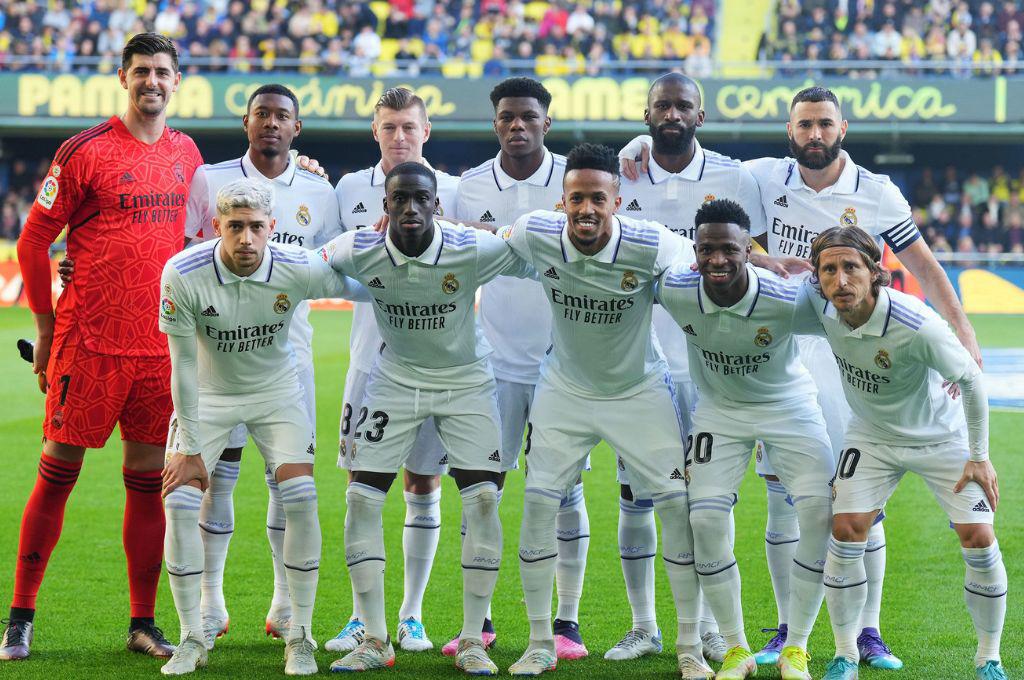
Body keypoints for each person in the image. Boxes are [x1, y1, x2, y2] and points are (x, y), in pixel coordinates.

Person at [1, 33, 203, 662]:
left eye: (162, 71)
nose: (152, 81)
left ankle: (143, 623)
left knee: (147, 487)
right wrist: (46, 327)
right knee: (56, 478)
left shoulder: (188, 153)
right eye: (141, 70)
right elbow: (34, 243)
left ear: (177, 81)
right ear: (123, 77)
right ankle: (19, 619)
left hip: (158, 348)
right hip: (87, 343)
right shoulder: (84, 150)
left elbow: (205, 236)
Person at [322, 161, 533, 675]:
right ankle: (375, 638)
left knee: (483, 499)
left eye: (422, 199)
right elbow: (308, 267)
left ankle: (471, 639)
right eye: (400, 199)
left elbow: (533, 254)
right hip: (394, 379)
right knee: (360, 497)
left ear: (437, 203)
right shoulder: (361, 249)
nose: (411, 208)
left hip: (466, 381)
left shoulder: (468, 248)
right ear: (385, 206)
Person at [498, 144, 700, 679]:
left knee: (676, 506)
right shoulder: (537, 232)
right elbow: (477, 243)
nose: (585, 209)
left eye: (597, 198)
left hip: (639, 391)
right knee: (539, 505)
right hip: (564, 391)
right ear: (562, 202)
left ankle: (687, 645)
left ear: (618, 200)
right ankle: (541, 641)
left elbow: (706, 265)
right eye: (576, 198)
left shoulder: (652, 243)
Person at [158, 177, 366, 676]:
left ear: (272, 228)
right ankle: (190, 636)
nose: (246, 239)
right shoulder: (183, 273)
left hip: (277, 394)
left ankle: (302, 636)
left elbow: (359, 284)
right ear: (216, 227)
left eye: (256, 228)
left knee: (301, 497)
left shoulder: (296, 266)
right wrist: (187, 445)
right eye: (235, 227)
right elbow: (182, 366)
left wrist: (402, 252)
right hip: (209, 395)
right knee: (181, 498)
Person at [609, 72, 764, 666]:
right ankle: (645, 625)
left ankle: (717, 631)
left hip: (712, 368)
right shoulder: (624, 174)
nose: (671, 114)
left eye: (682, 106)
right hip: (641, 366)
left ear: (701, 115)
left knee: (708, 503)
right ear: (645, 114)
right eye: (661, 106)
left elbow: (756, 256)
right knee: (636, 496)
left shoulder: (735, 178)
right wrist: (629, 149)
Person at [179, 83, 340, 645]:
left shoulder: (319, 191)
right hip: (216, 360)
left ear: (297, 128)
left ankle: (282, 603)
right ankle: (211, 602)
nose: (272, 123)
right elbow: (187, 256)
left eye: (283, 117)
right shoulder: (209, 180)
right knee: (214, 481)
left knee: (284, 484)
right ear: (245, 122)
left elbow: (331, 265)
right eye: (262, 115)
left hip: (287, 360)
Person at [806, 227, 1006, 680]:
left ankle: (989, 659)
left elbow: (972, 381)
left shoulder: (916, 325)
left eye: (851, 268)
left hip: (941, 437)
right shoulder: (819, 307)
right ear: (817, 277)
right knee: (846, 529)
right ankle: (844, 655)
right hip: (871, 436)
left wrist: (979, 455)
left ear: (875, 272)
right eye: (829, 270)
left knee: (978, 537)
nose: (840, 281)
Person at [656, 199, 833, 680]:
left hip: (790, 408)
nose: (717, 260)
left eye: (730, 250)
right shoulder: (675, 289)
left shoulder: (784, 299)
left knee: (819, 513)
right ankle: (737, 649)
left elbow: (853, 321)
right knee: (706, 520)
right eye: (707, 249)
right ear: (694, 251)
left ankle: (796, 647)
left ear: (748, 249)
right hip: (720, 413)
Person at [451, 76, 590, 660]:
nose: (517, 125)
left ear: (546, 124)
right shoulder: (466, 186)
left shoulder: (575, 182)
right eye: (507, 116)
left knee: (563, 490)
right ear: (495, 124)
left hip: (563, 364)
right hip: (495, 363)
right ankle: (476, 623)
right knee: (484, 487)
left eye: (528, 116)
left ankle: (567, 621)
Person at [327, 87, 458, 655]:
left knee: (423, 484)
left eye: (409, 127)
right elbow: (322, 257)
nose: (400, 136)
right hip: (369, 363)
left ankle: (411, 615)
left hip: (436, 363)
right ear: (375, 132)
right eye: (389, 128)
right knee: (362, 485)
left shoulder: (454, 189)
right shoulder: (348, 189)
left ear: (426, 131)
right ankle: (363, 617)